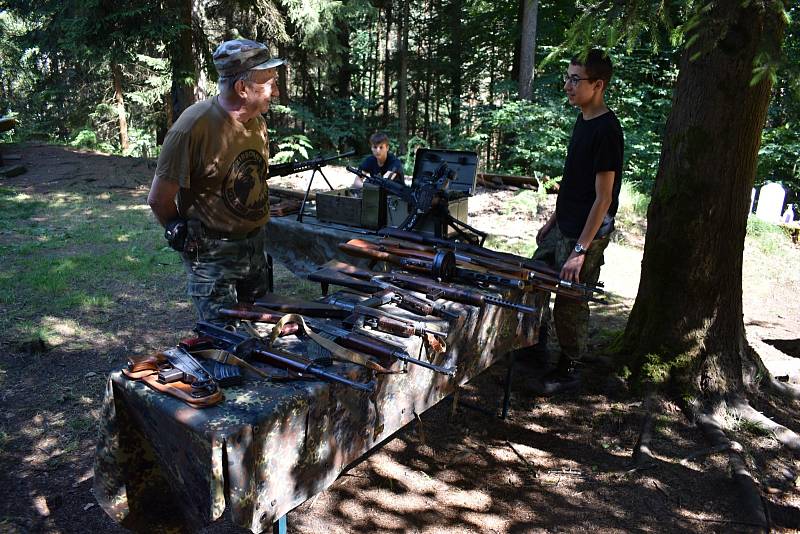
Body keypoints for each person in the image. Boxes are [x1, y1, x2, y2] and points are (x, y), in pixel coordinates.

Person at [147, 39, 283, 321]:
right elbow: (159, 199)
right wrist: (187, 241)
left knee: (263, 330)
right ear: (242, 88)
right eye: (269, 83)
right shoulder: (192, 127)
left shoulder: (258, 121)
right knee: (222, 342)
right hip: (212, 254)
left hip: (255, 248)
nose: (277, 91)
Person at [529, 49, 624, 393]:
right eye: (567, 77)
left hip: (587, 233)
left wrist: (581, 250)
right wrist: (552, 220)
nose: (567, 85)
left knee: (570, 299)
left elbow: (604, 198)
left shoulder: (607, 131)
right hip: (563, 225)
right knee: (534, 279)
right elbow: (572, 181)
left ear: (597, 85)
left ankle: (570, 367)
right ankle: (532, 347)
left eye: (575, 79)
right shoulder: (582, 118)